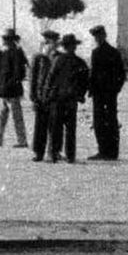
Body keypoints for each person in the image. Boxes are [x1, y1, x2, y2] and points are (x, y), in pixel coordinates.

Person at [42, 32, 90, 164]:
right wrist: (80, 94)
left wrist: (46, 95)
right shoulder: (80, 62)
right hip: (70, 99)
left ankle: (54, 153)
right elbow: (85, 82)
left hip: (58, 98)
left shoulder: (58, 60)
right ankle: (70, 155)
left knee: (57, 127)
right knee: (70, 128)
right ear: (74, 47)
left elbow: (50, 79)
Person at [86, 25, 126, 160]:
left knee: (99, 122)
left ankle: (103, 150)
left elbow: (93, 74)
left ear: (102, 36)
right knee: (112, 120)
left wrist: (90, 90)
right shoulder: (115, 52)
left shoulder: (96, 53)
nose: (96, 39)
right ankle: (113, 152)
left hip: (99, 92)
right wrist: (116, 89)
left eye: (97, 36)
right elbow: (122, 74)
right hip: (110, 93)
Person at [0, 29, 29, 149]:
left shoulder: (15, 53)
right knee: (3, 115)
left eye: (6, 39)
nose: (4, 41)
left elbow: (18, 73)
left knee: (16, 116)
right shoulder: (6, 53)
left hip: (11, 90)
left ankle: (21, 141)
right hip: (5, 89)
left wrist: (8, 85)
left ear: (11, 40)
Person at [28, 29, 59, 162]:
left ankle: (53, 152)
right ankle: (39, 152)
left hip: (54, 96)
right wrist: (33, 95)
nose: (49, 43)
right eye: (47, 40)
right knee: (40, 126)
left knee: (54, 125)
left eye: (52, 41)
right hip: (40, 96)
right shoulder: (38, 57)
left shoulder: (58, 57)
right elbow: (33, 77)